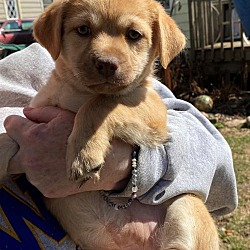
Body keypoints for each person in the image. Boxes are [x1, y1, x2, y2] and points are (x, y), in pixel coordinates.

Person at [0, 43, 238, 249]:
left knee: (187, 209)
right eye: (84, 30)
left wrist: (124, 164)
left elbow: (216, 159)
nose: (105, 52)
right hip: (90, 234)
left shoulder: (50, 65)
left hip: (165, 224)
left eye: (133, 35)